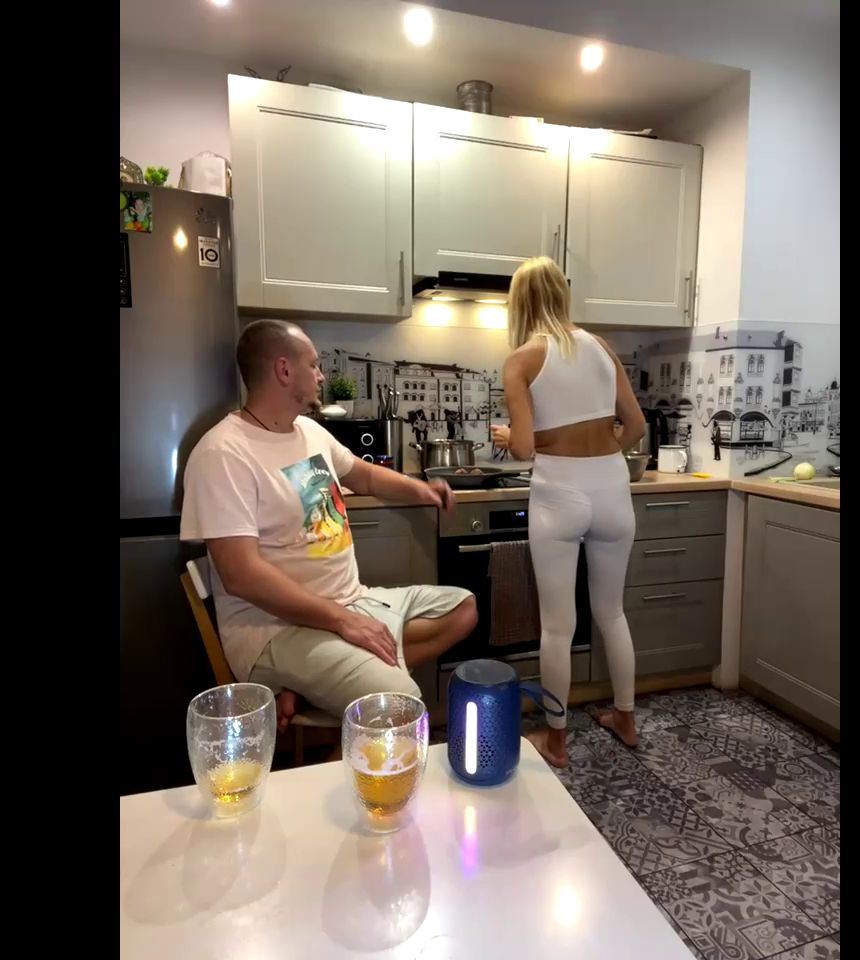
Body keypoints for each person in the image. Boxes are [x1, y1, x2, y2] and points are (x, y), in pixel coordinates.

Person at [181, 320, 477, 733]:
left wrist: (422, 489)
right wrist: (342, 621)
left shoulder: (309, 431)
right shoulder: (223, 453)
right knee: (401, 706)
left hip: (350, 602)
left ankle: (309, 688)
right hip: (275, 630)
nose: (321, 376)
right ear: (284, 370)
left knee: (463, 609)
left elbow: (364, 475)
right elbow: (240, 575)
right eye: (314, 365)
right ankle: (327, 682)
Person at [491, 257, 647, 768]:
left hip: (558, 494)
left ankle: (557, 742)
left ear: (520, 303)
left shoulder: (521, 360)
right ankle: (625, 718)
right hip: (612, 489)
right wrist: (600, 454)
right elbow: (636, 426)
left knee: (558, 627)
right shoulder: (601, 348)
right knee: (612, 612)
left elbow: (521, 448)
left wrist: (509, 436)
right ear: (562, 295)